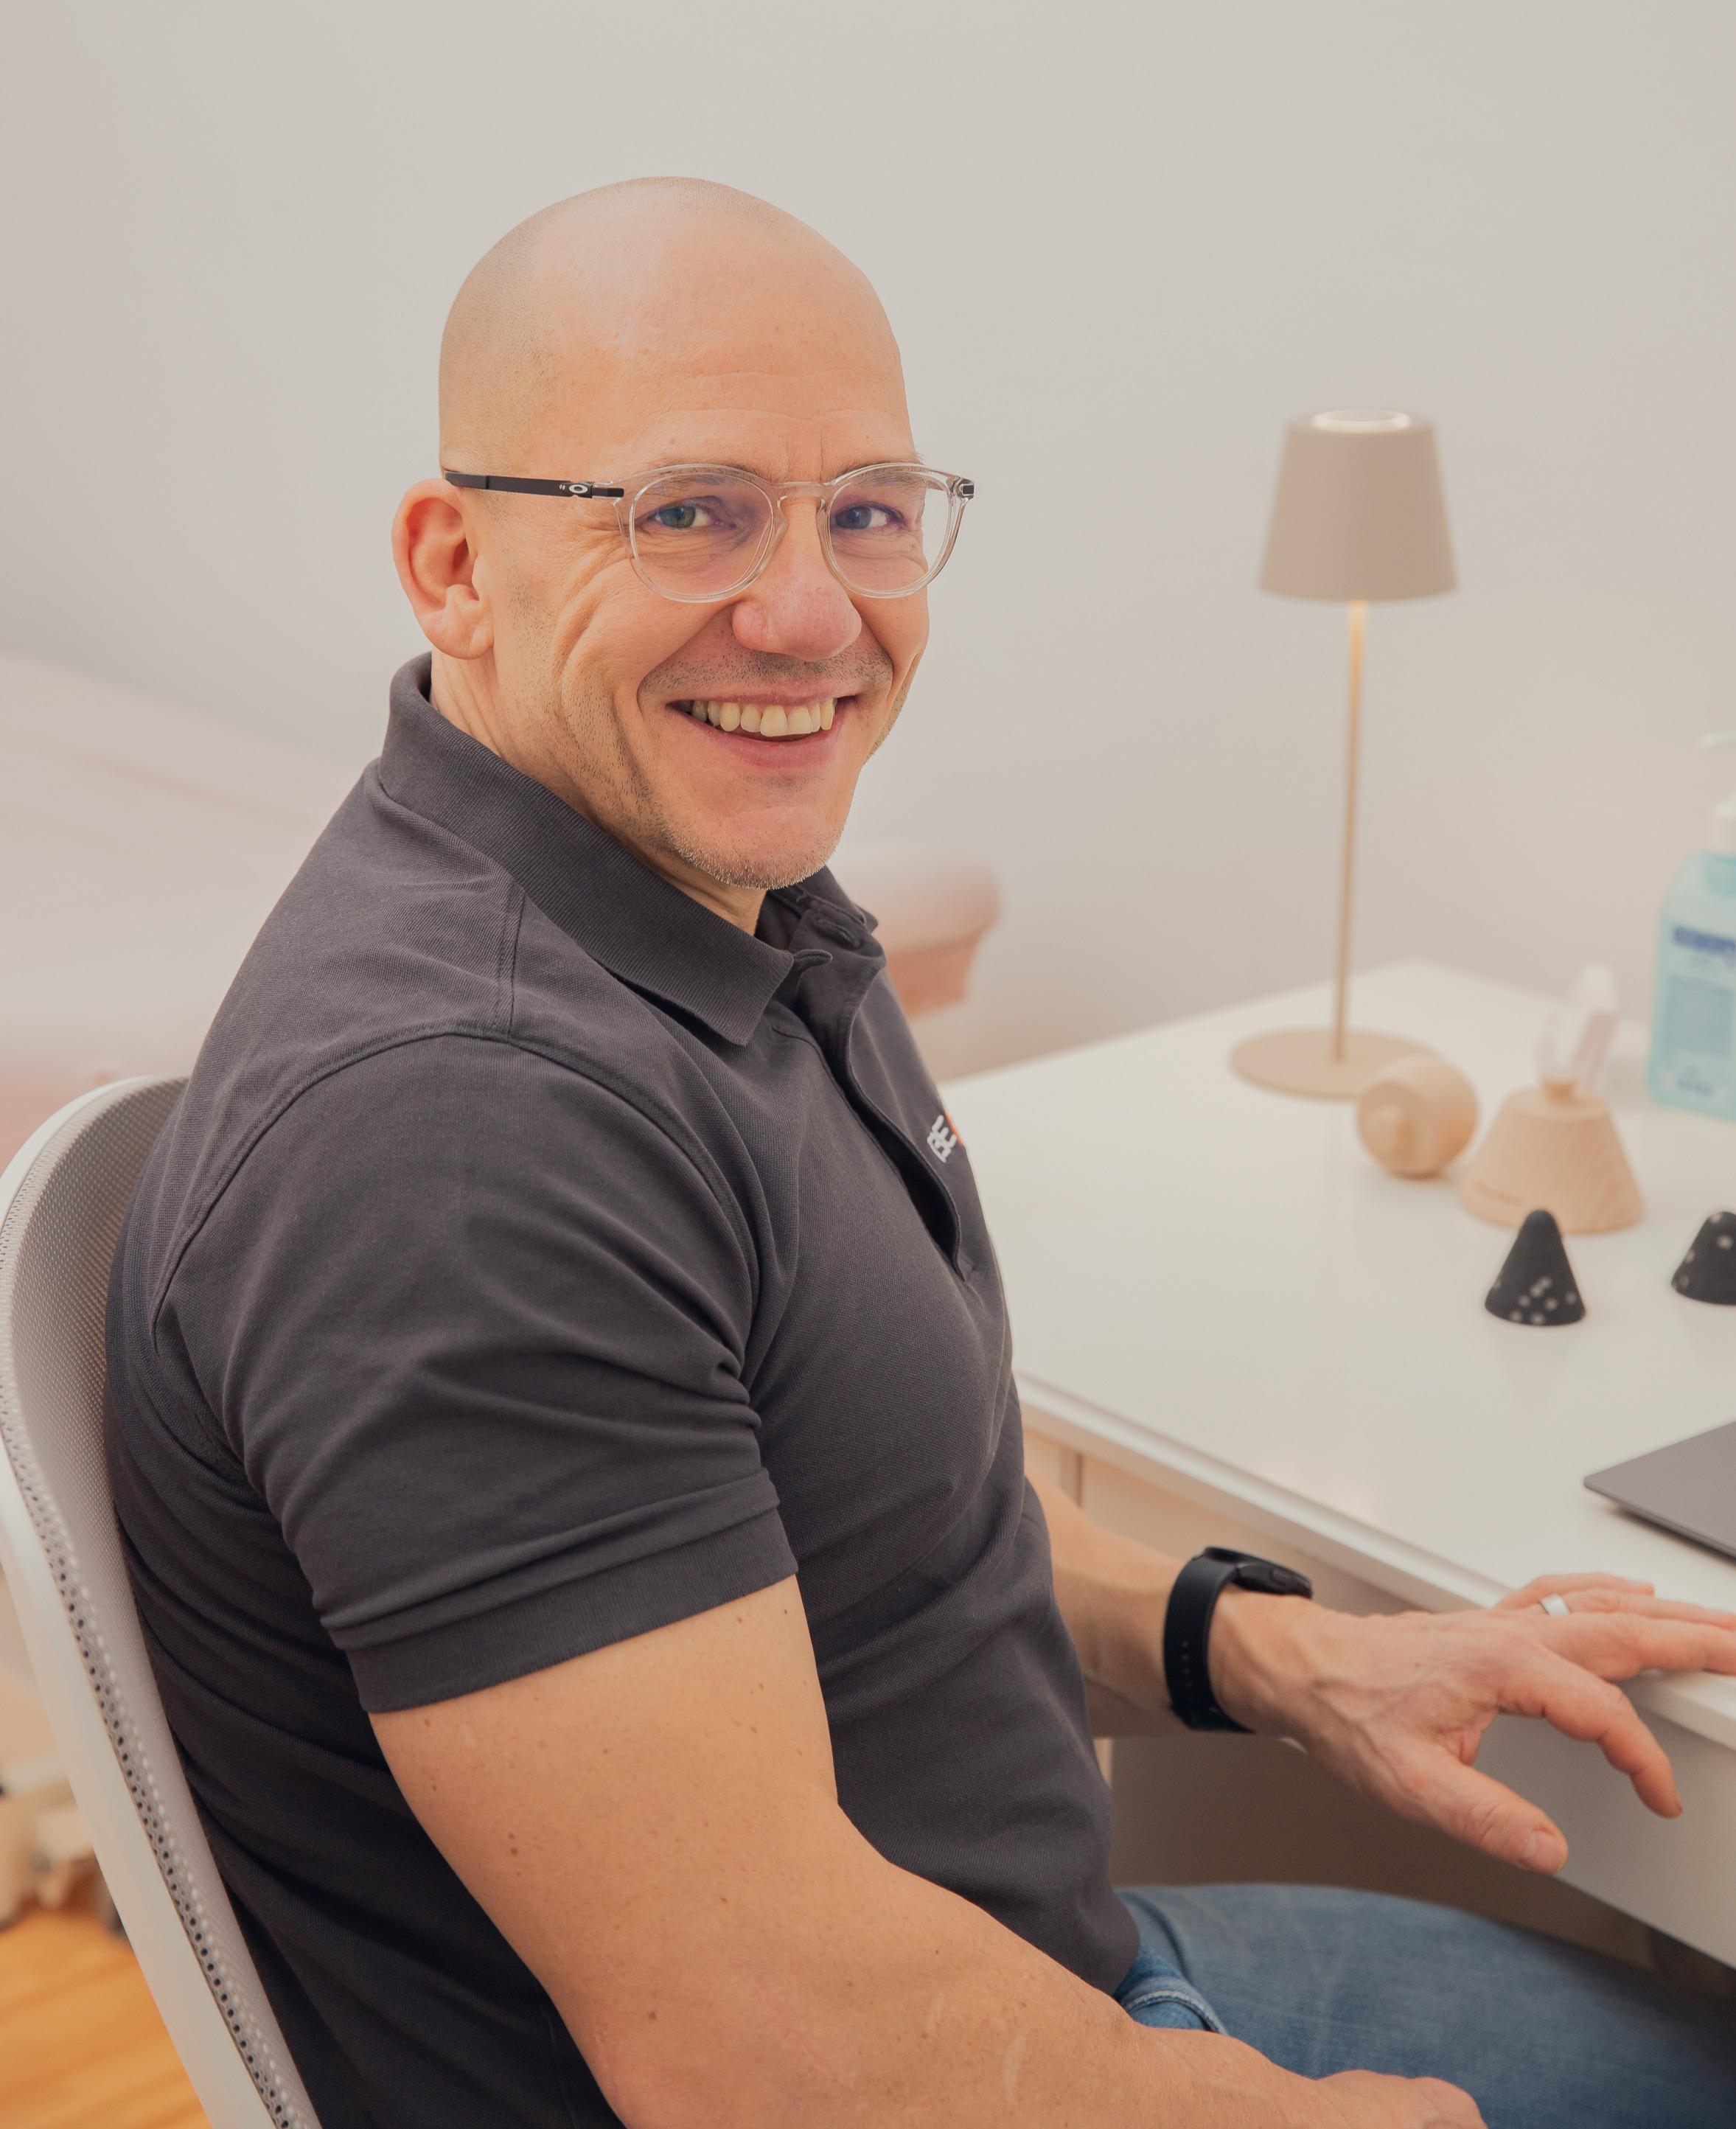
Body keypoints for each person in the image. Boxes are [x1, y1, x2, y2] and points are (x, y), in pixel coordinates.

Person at [108, 179, 1736, 2129]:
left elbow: (863, 1506)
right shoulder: (462, 1136)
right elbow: (768, 2051)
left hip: (1033, 1978)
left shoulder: (714, 906)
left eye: (868, 511)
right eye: (690, 510)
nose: (811, 613)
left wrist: (1277, 1652)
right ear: (454, 565)